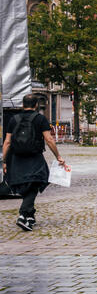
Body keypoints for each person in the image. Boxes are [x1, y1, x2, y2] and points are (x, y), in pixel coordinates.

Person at [2, 94, 65, 231]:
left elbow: (7, 142)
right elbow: (49, 139)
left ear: (22, 104)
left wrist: (5, 161)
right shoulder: (40, 119)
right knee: (37, 182)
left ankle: (30, 216)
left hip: (17, 158)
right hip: (34, 157)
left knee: (24, 184)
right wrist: (58, 156)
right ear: (36, 105)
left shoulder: (14, 119)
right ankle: (23, 214)